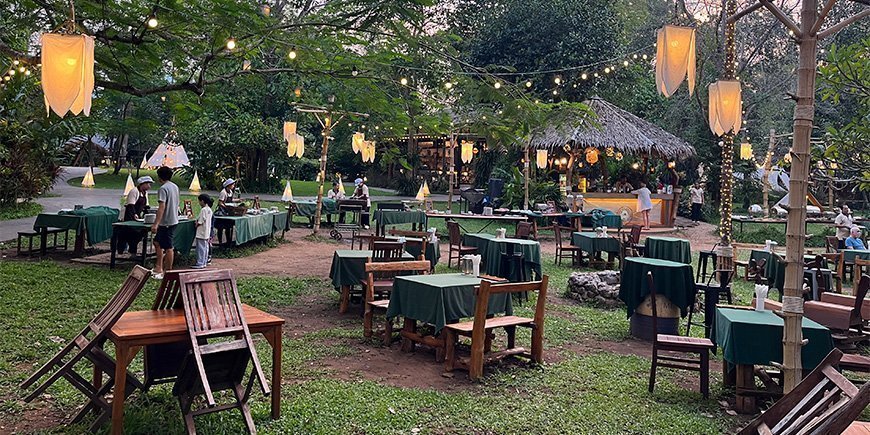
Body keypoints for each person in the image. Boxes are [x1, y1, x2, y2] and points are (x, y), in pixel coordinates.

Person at [151, 166, 180, 280]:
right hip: (174, 219)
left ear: (159, 177)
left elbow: (161, 207)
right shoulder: (175, 186)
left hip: (167, 221)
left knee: (168, 247)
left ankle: (168, 272)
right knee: (157, 242)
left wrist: (156, 224)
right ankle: (159, 267)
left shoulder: (163, 189)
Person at [118, 176, 153, 255]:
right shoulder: (134, 191)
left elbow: (146, 206)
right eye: (148, 184)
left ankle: (132, 251)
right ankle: (122, 251)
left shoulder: (145, 193)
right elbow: (131, 205)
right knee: (127, 233)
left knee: (138, 234)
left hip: (137, 217)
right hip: (128, 216)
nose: (149, 186)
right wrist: (134, 214)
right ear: (142, 184)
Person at [193, 193, 213, 269]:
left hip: (201, 232)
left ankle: (200, 263)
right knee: (205, 248)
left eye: (199, 201)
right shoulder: (209, 210)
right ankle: (204, 262)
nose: (199, 203)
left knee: (200, 248)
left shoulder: (203, 210)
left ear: (202, 201)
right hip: (206, 232)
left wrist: (196, 224)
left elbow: (200, 221)